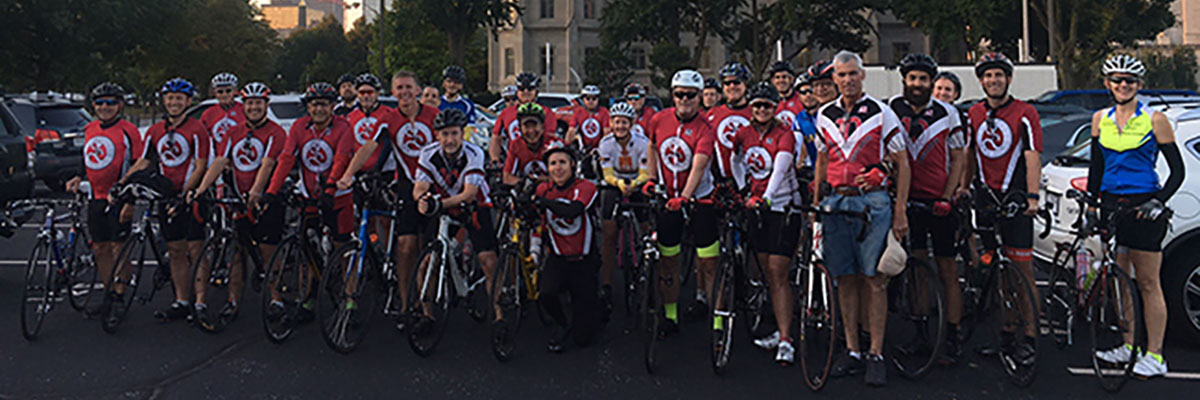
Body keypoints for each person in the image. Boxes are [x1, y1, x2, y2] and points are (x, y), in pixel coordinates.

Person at [816, 51, 910, 387]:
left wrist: (900, 212)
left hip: (873, 203)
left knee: (874, 278)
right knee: (844, 278)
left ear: (863, 75)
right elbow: (822, 161)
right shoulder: (824, 114)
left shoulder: (882, 113)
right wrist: (816, 207)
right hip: (836, 203)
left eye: (853, 73)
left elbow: (903, 162)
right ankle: (853, 349)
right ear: (835, 78)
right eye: (842, 75)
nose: (848, 79)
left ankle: (876, 353)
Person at [1089, 54, 1182, 377]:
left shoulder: (1154, 119)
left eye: (1129, 81)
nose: (1123, 85)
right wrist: (1092, 207)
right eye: (1117, 80)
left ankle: (1155, 355)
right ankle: (1129, 346)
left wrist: (1158, 202)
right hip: (1112, 205)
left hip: (1143, 206)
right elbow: (1096, 168)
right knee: (1120, 280)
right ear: (1107, 84)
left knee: (1147, 282)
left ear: (1139, 85)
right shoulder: (1100, 118)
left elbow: (1177, 172)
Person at [962, 52, 1042, 366]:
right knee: (997, 272)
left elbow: (1032, 155)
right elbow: (969, 153)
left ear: (1008, 79)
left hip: (1016, 199)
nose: (993, 80)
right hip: (985, 200)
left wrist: (1032, 197)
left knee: (1022, 270)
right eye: (988, 76)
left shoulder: (1026, 112)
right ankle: (1007, 332)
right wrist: (964, 187)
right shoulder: (974, 112)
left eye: (999, 75)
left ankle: (1032, 336)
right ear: (981, 81)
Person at [887, 54, 967, 363]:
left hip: (939, 202)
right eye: (912, 78)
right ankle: (921, 335)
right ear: (904, 80)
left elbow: (959, 156)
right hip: (908, 201)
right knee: (916, 266)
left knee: (947, 269)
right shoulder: (893, 108)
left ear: (931, 82)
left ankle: (952, 335)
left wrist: (948, 196)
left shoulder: (948, 112)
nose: (917, 84)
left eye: (923, 79)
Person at [190, 82, 286, 328]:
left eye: (259, 103)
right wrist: (200, 190)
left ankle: (276, 298)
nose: (254, 107)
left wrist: (256, 191)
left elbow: (267, 164)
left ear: (266, 105)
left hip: (263, 197)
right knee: (236, 252)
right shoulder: (234, 133)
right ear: (245, 105)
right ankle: (233, 300)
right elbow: (221, 161)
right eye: (250, 103)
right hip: (238, 196)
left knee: (267, 252)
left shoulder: (276, 132)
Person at [264, 83, 357, 312]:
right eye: (315, 105)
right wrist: (271, 191)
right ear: (308, 107)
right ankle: (309, 296)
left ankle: (350, 298)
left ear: (332, 106)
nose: (319, 109)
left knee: (342, 246)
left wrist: (331, 189)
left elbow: (342, 159)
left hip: (338, 195)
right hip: (309, 194)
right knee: (306, 247)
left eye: (324, 105)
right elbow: (287, 159)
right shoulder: (298, 127)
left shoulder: (343, 126)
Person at [644, 69, 719, 339]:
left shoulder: (705, 128)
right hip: (668, 197)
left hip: (700, 198)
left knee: (708, 263)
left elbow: (699, 166)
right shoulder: (658, 119)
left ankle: (718, 320)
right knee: (668, 261)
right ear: (672, 95)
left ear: (700, 98)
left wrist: (685, 197)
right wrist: (652, 177)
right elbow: (652, 147)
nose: (684, 99)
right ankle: (671, 315)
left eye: (691, 95)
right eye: (679, 94)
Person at [411, 108, 502, 333]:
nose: (450, 139)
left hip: (475, 205)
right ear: (437, 136)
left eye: (454, 133)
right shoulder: (427, 153)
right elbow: (420, 188)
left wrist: (437, 204)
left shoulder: (475, 153)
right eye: (445, 134)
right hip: (444, 206)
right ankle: (427, 315)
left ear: (463, 134)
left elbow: (469, 194)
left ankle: (500, 316)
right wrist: (422, 200)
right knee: (426, 264)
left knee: (489, 261)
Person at [731, 82, 801, 365]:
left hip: (783, 207)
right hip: (757, 206)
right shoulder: (743, 133)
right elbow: (735, 160)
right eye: (757, 105)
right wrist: (743, 189)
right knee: (763, 269)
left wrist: (767, 198)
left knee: (777, 270)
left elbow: (781, 168)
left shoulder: (784, 133)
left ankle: (786, 339)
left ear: (775, 109)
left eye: (767, 106)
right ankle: (773, 324)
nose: (761, 110)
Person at [133, 78, 211, 323]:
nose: (174, 102)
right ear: (164, 101)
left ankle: (200, 301)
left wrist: (185, 193)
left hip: (191, 195)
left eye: (179, 98)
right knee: (176, 250)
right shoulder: (155, 131)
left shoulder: (197, 129)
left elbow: (200, 166)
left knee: (195, 248)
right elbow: (144, 161)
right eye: (170, 98)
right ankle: (181, 300)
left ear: (188, 102)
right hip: (167, 196)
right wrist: (124, 182)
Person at [65, 82, 143, 319]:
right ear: (93, 106)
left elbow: (140, 163)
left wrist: (129, 197)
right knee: (100, 248)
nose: (105, 107)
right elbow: (87, 157)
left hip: (119, 197)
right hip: (96, 196)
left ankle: (120, 294)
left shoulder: (129, 130)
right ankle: (108, 292)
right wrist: (78, 176)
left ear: (119, 105)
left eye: (111, 103)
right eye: (100, 103)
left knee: (118, 247)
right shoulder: (90, 128)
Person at [381, 70, 440, 329]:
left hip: (435, 186)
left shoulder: (434, 117)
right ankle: (405, 305)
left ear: (418, 90)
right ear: (393, 93)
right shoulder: (389, 119)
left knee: (428, 251)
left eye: (408, 87)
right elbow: (371, 148)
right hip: (407, 187)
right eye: (399, 88)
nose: (404, 92)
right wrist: (349, 175)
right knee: (405, 248)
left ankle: (427, 309)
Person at [534, 146, 603, 352]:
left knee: (583, 339)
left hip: (584, 260)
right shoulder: (543, 189)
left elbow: (573, 211)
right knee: (546, 293)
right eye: (553, 164)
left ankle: (595, 306)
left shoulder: (586, 187)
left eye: (562, 162)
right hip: (559, 258)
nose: (558, 168)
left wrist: (543, 202)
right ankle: (562, 322)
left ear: (572, 165)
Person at [596, 102, 651, 312]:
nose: (620, 126)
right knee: (609, 236)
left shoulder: (642, 143)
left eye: (624, 122)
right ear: (611, 123)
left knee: (645, 230)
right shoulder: (606, 143)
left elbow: (645, 173)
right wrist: (620, 184)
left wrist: (634, 185)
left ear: (631, 124)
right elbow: (607, 174)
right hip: (614, 185)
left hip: (637, 184)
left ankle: (646, 267)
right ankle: (607, 284)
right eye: (617, 122)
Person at [490, 72, 558, 165]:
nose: (526, 92)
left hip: (541, 161)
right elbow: (496, 139)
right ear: (517, 92)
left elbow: (549, 138)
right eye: (522, 89)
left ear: (536, 91)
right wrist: (495, 160)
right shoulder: (506, 113)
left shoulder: (547, 112)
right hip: (514, 160)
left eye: (530, 89)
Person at [708, 62, 753, 190]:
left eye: (737, 82)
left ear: (745, 85)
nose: (732, 86)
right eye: (727, 83)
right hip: (722, 182)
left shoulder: (757, 111)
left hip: (754, 181)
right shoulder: (713, 113)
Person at [502, 103, 564, 187]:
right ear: (520, 129)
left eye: (535, 125)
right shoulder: (515, 145)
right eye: (526, 127)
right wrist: (525, 183)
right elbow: (507, 177)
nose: (531, 131)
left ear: (542, 127)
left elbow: (564, 177)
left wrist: (541, 180)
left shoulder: (554, 142)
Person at [201, 73, 243, 165]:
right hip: (219, 161)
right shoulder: (208, 114)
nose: (224, 95)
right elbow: (202, 140)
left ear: (235, 91)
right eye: (220, 92)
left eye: (228, 91)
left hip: (241, 159)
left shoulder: (243, 109)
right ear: (215, 93)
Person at [565, 85, 610, 151]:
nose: (591, 101)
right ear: (583, 99)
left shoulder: (604, 112)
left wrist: (601, 148)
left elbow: (607, 132)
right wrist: (567, 146)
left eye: (594, 99)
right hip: (583, 148)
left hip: (600, 147)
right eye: (588, 98)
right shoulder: (578, 112)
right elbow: (571, 130)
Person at [767, 60, 804, 129]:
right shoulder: (769, 103)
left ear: (791, 79)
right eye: (777, 77)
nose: (781, 80)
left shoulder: (802, 98)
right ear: (772, 81)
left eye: (784, 77)